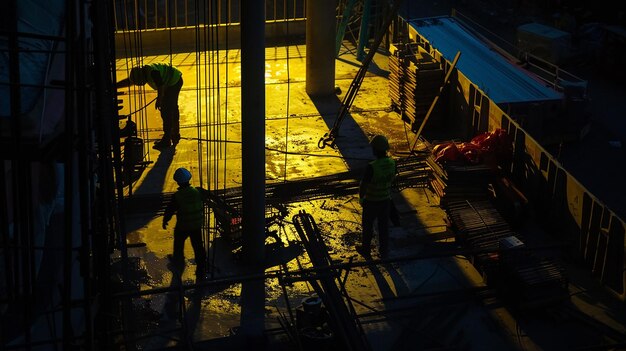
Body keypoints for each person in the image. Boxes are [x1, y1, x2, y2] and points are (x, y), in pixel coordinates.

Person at [117, 63, 183, 149]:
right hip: (172, 80)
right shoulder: (143, 73)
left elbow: (161, 85)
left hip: (174, 81)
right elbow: (130, 81)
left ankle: (167, 139)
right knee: (171, 108)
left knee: (167, 111)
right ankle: (175, 134)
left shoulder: (152, 72)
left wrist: (159, 100)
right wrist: (116, 85)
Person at [162, 167, 210, 281]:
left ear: (177, 181)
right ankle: (201, 266)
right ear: (189, 179)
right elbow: (207, 197)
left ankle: (178, 262)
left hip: (183, 226)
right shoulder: (197, 191)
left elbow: (170, 209)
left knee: (178, 244)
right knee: (198, 246)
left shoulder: (177, 196)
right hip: (196, 225)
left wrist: (165, 220)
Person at [357, 135, 397, 258]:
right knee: (383, 228)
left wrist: (361, 199)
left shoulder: (372, 166)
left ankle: (366, 250)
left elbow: (363, 186)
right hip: (385, 200)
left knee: (368, 228)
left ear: (375, 150)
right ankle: (384, 251)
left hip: (371, 201)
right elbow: (392, 179)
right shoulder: (392, 163)